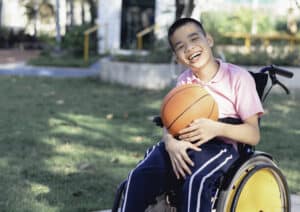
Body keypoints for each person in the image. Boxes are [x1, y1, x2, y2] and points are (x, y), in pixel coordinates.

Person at [120, 18, 264, 212]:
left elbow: (253, 134)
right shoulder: (184, 81)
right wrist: (171, 143)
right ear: (177, 57)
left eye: (194, 39)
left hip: (220, 148)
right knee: (138, 176)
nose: (189, 48)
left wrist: (216, 128)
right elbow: (169, 123)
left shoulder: (238, 78)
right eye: (181, 46)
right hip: (182, 143)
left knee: (198, 179)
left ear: (209, 40)